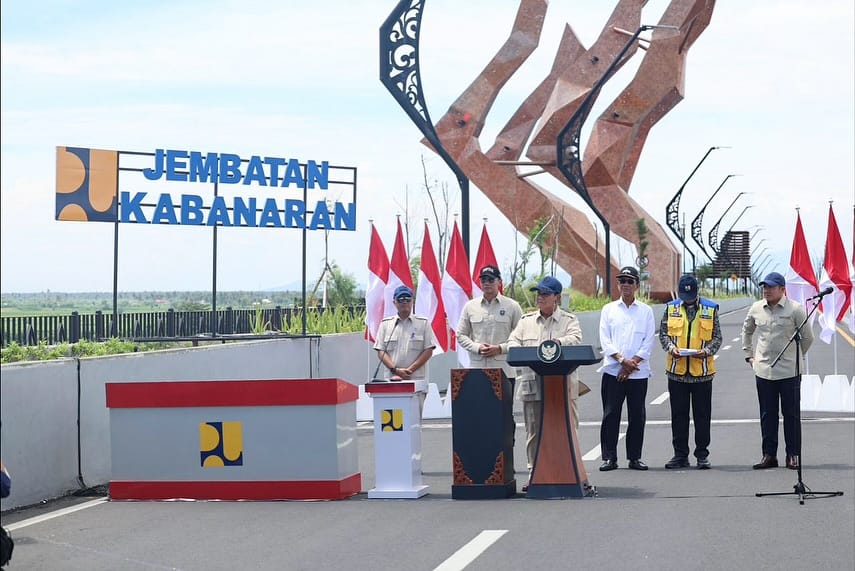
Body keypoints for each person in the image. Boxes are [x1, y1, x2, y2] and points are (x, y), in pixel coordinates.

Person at [507, 276, 583, 490]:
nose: (540, 297)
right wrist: (524, 350)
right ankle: (534, 474)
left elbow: (576, 339)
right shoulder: (526, 321)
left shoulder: (569, 320)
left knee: (568, 430)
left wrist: (558, 342)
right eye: (538, 293)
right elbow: (513, 342)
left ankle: (569, 472)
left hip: (563, 385)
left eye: (545, 294)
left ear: (557, 297)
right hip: (533, 384)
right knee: (533, 432)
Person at [742, 271, 814, 470]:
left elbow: (808, 337)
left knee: (791, 415)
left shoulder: (795, 309)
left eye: (771, 287)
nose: (767, 290)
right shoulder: (757, 308)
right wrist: (749, 355)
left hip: (789, 372)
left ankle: (793, 455)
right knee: (767, 415)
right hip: (764, 371)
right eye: (764, 287)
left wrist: (795, 357)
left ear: (782, 289)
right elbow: (747, 331)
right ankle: (769, 455)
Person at [659, 274, 722, 470]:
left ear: (697, 292)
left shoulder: (710, 309)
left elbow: (717, 338)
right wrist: (671, 348)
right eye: (685, 297)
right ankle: (680, 455)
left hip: (702, 373)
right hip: (677, 372)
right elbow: (663, 334)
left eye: (691, 296)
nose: (688, 300)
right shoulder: (671, 308)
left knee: (702, 416)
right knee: (678, 416)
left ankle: (702, 455)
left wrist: (707, 351)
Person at [597, 266, 656, 472]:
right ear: (618, 284)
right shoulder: (609, 310)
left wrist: (630, 366)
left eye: (630, 281)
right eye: (622, 281)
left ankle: (634, 457)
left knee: (637, 415)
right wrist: (622, 361)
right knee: (611, 414)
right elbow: (605, 340)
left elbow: (648, 342)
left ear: (637, 285)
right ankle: (609, 458)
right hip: (613, 371)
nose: (626, 285)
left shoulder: (646, 311)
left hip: (638, 372)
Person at [456, 264, 523, 386]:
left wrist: (500, 348)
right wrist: (477, 347)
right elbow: (460, 335)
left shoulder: (512, 306)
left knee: (505, 400)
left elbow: (521, 337)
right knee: (478, 399)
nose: (487, 283)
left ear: (499, 282)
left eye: (491, 280)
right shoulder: (470, 306)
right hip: (477, 369)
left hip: (504, 370)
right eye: (483, 280)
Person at [373, 285, 436, 411]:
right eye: (400, 299)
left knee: (414, 419)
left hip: (416, 381)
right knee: (392, 419)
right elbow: (381, 351)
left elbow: (428, 350)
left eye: (407, 299)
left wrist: (409, 371)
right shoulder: (386, 324)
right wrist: (396, 370)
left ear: (412, 301)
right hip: (392, 381)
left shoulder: (423, 323)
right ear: (394, 302)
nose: (404, 302)